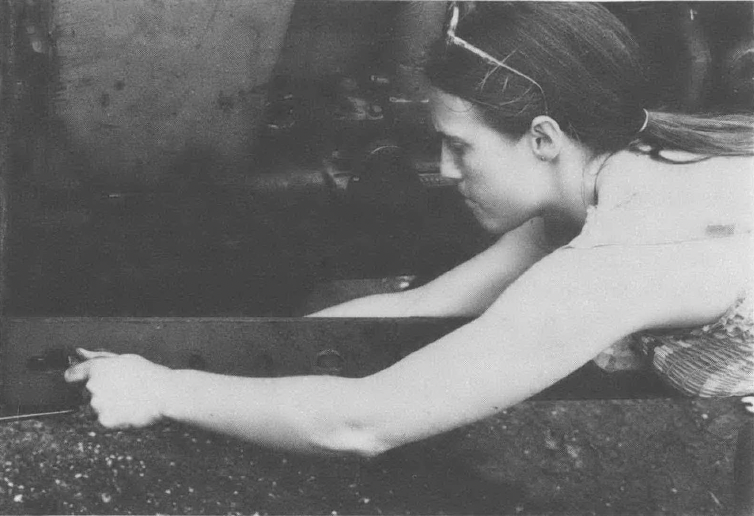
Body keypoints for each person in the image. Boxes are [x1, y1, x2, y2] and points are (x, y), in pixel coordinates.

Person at [64, 2, 753, 457]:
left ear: (543, 137)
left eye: (461, 146)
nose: (447, 172)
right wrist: (221, 366)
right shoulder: (622, 165)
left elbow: (362, 423)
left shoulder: (629, 254)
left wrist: (163, 390)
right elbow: (415, 307)